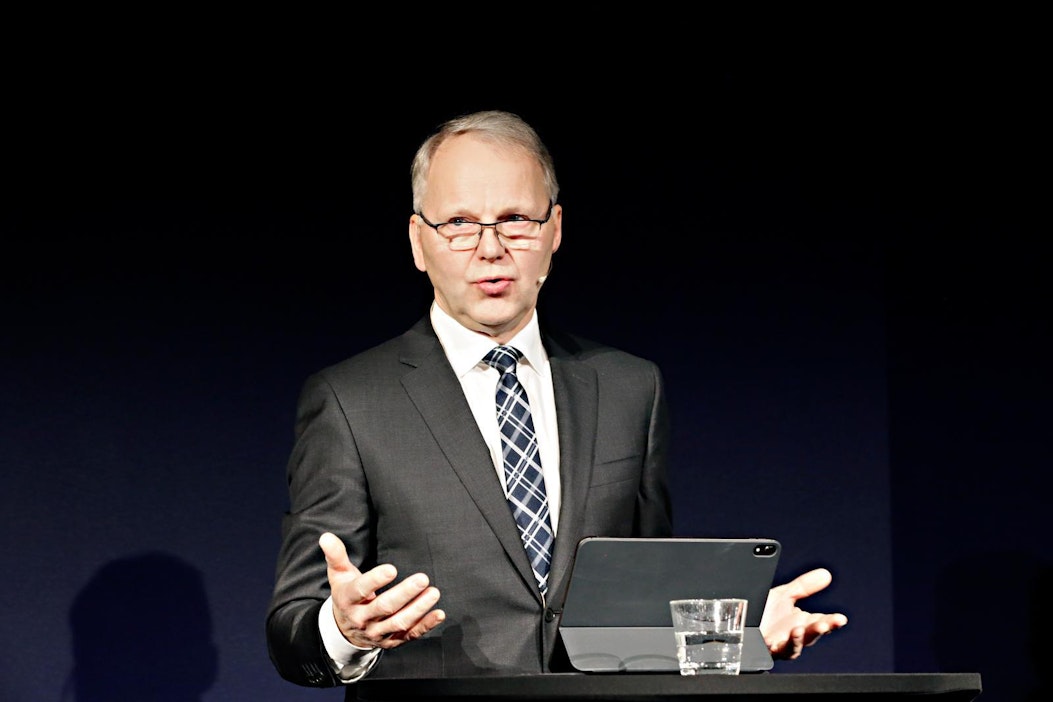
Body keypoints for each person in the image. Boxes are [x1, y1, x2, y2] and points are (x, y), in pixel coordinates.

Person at [266, 109, 848, 693]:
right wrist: (345, 630)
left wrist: (734, 634)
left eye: (516, 220)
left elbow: (641, 609)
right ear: (419, 241)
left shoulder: (628, 388)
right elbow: (292, 631)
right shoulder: (351, 401)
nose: (490, 248)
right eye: (460, 223)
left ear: (555, 231)